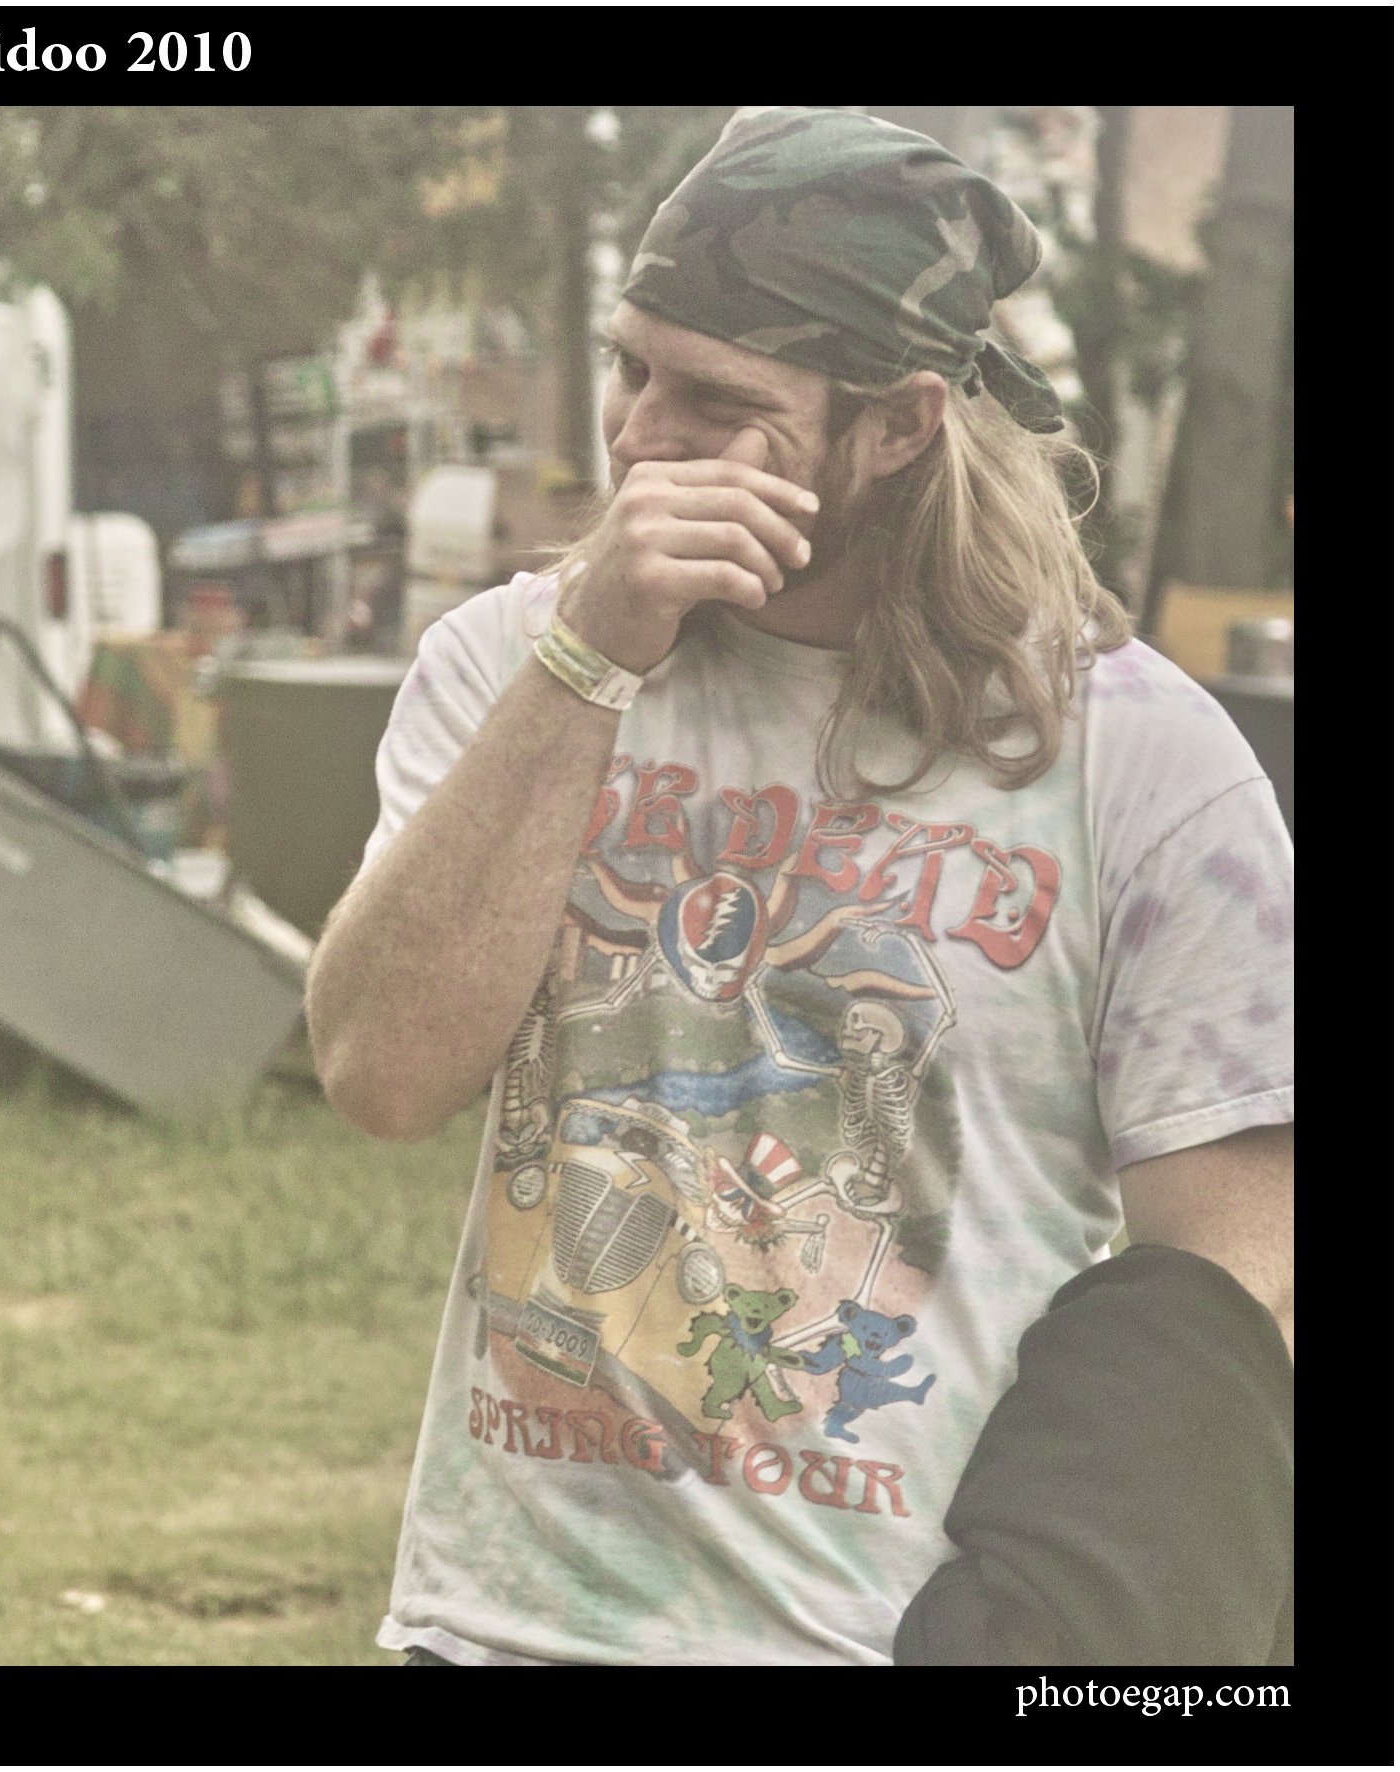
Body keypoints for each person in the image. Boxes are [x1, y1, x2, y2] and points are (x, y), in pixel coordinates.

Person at [306, 108, 1293, 1666]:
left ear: (897, 425)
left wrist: (1054, 1616)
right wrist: (589, 659)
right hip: (505, 1629)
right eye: (631, 368)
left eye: (718, 402)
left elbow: (1233, 1274)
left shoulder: (1138, 759)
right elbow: (380, 1073)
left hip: (898, 1633)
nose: (641, 436)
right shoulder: (508, 663)